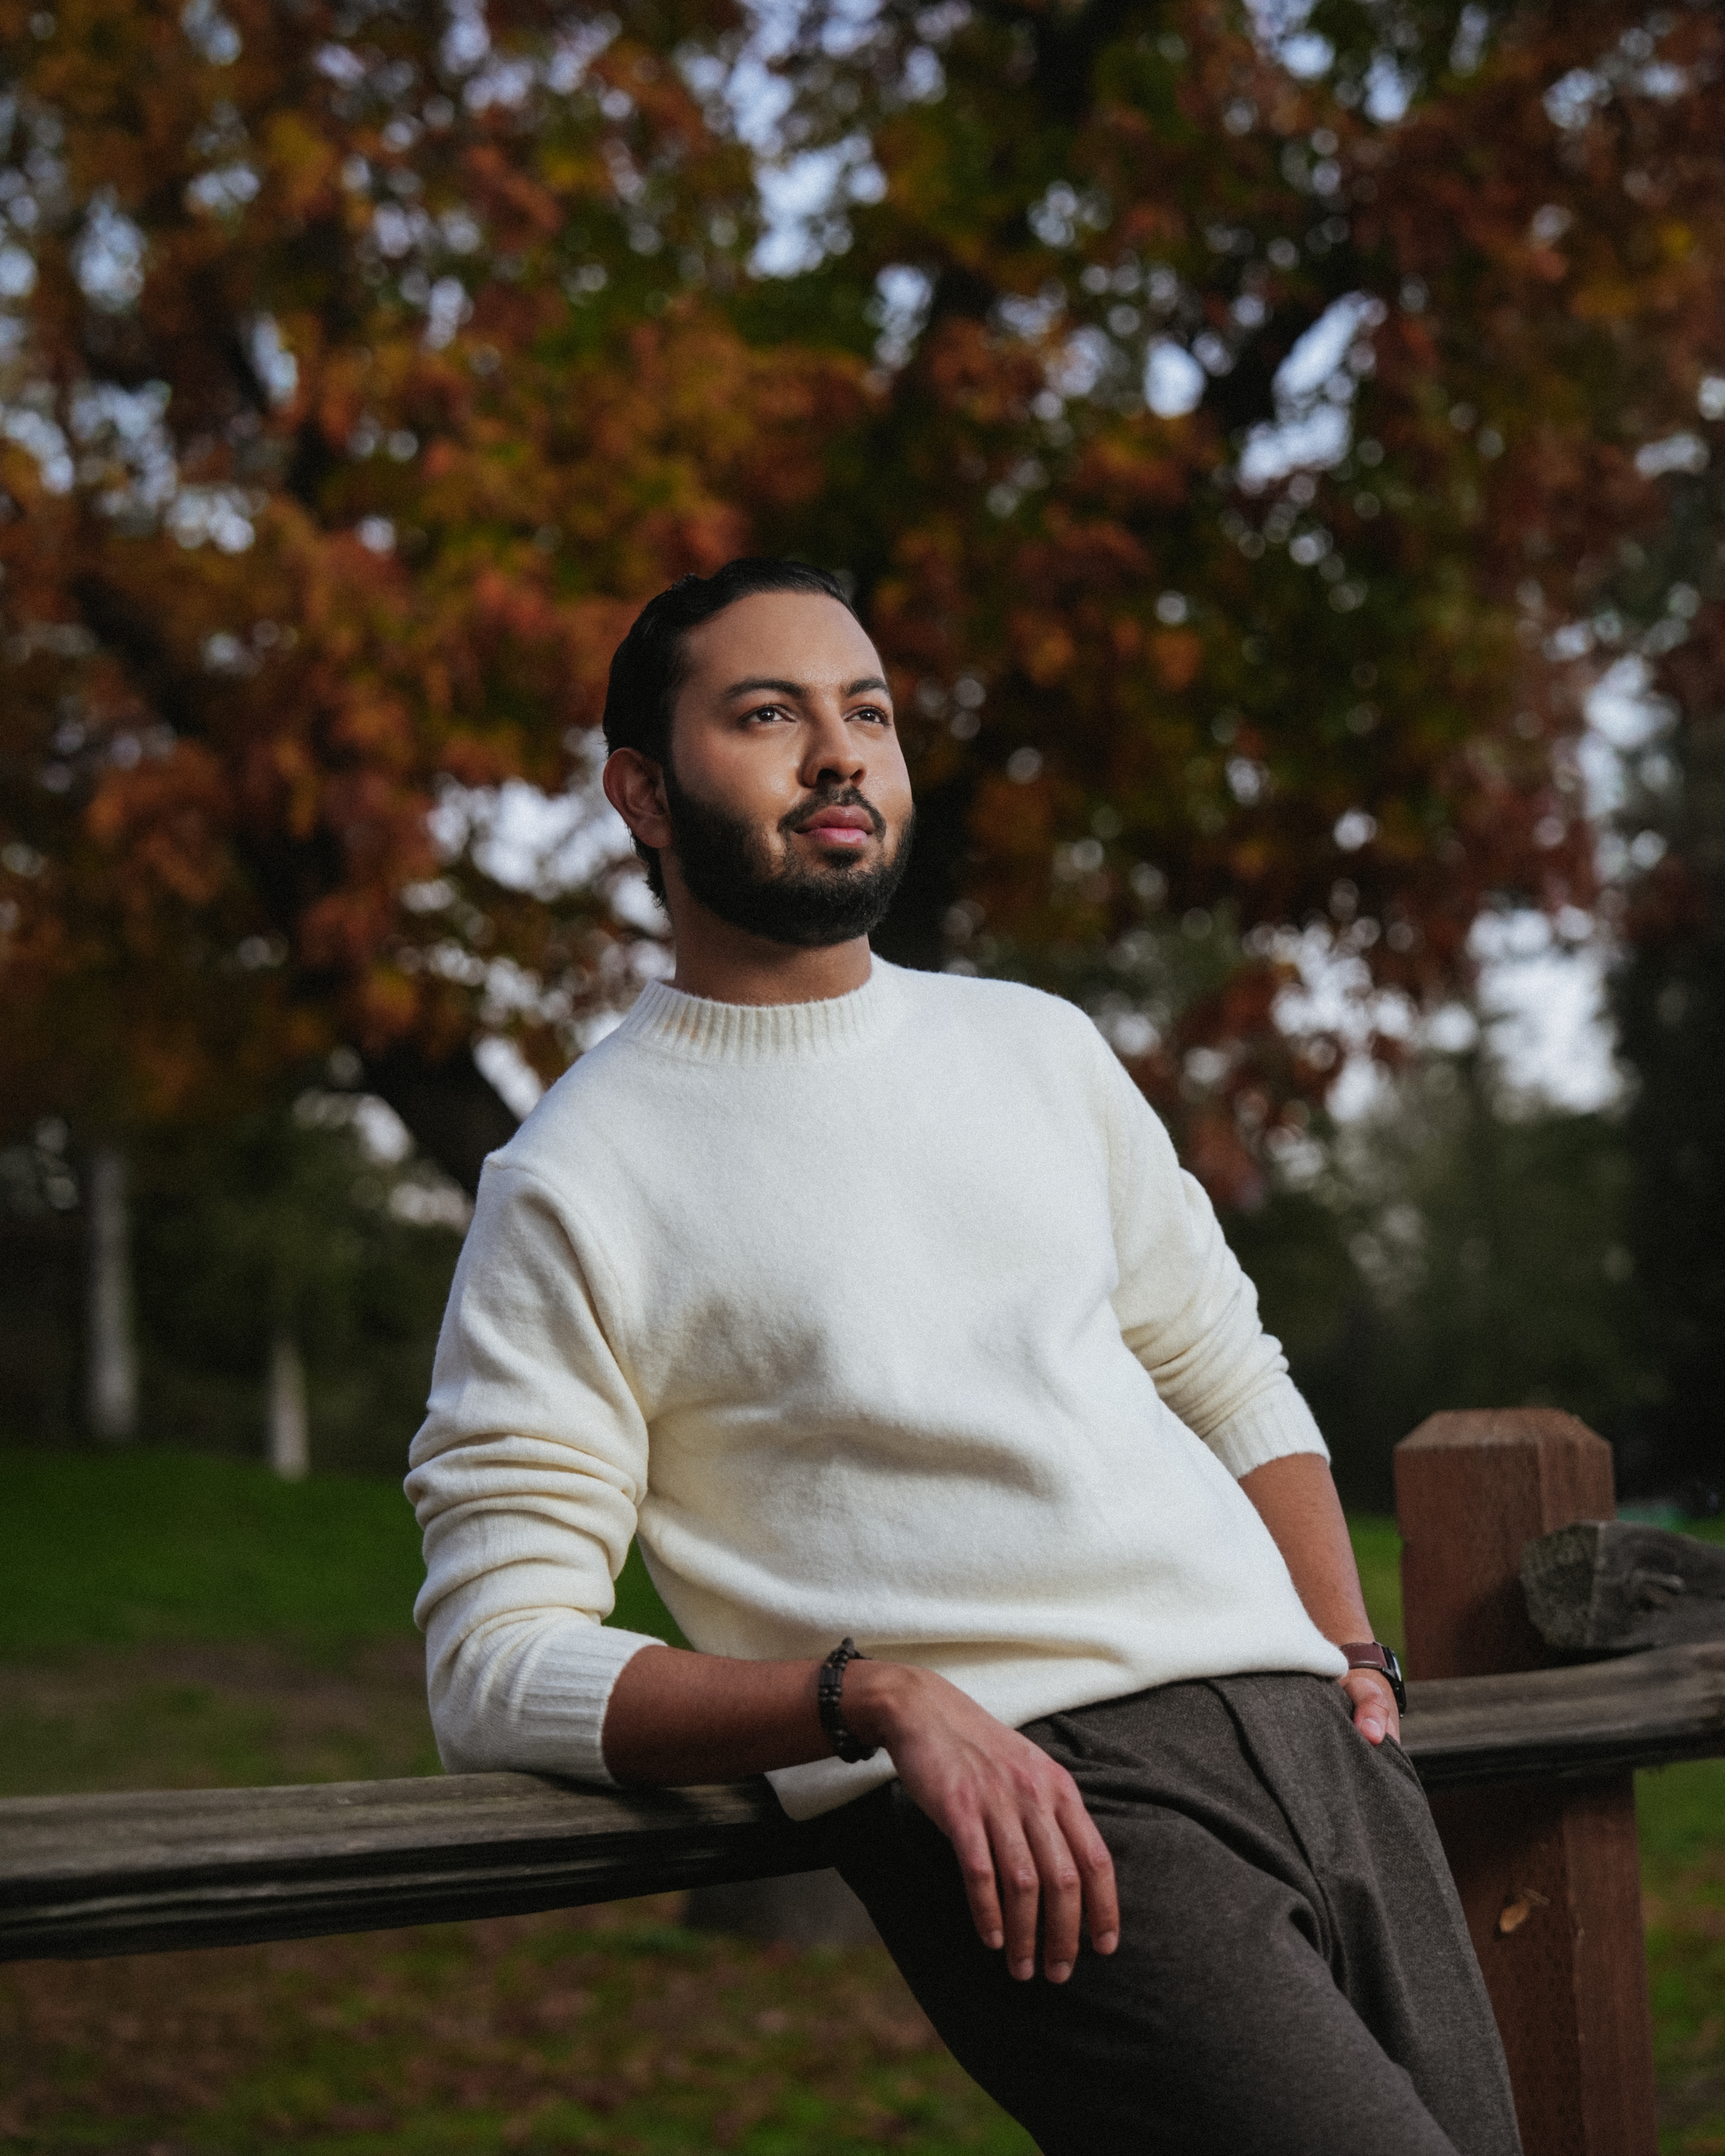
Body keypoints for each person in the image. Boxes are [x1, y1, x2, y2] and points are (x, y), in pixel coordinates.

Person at [406, 557, 1522, 2156]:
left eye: (866, 711)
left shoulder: (1035, 1045)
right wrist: (867, 1699)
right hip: (1047, 1807)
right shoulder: (575, 1179)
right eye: (767, 715)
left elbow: (1222, 1368)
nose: (838, 753)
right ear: (641, 793)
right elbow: (494, 1662)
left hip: (1320, 1745)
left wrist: (1348, 1650)